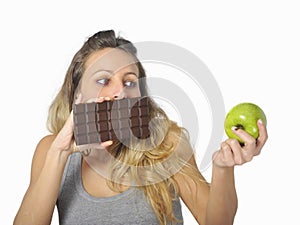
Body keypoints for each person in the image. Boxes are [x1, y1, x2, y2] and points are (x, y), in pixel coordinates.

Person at [13, 30, 268, 225]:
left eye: (130, 82)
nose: (119, 92)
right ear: (77, 93)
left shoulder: (167, 142)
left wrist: (223, 169)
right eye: (103, 80)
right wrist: (59, 153)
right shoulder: (50, 149)